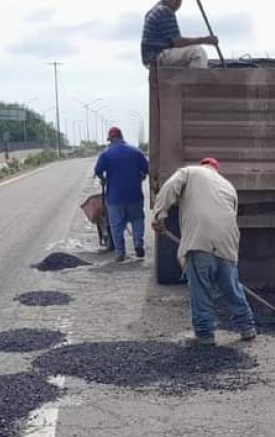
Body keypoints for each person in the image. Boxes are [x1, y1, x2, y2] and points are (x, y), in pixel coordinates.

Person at [152, 158, 257, 347]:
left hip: (201, 238)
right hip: (228, 240)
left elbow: (169, 187)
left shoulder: (190, 172)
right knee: (231, 287)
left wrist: (160, 215)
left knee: (200, 287)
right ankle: (247, 327)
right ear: (216, 170)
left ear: (203, 166)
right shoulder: (228, 186)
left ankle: (204, 334)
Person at [94, 127, 150, 262]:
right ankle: (138, 244)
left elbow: (98, 171)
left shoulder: (106, 154)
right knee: (137, 219)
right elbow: (147, 169)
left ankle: (120, 253)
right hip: (134, 195)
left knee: (117, 225)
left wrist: (103, 178)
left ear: (111, 139)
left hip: (115, 197)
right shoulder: (136, 152)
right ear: (122, 137)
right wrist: (141, 176)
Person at [141, 0, 219, 68]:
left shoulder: (154, 10)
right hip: (157, 56)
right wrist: (206, 40)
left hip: (151, 57)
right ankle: (195, 84)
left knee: (192, 58)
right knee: (197, 52)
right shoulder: (165, 11)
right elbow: (178, 42)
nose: (177, 3)